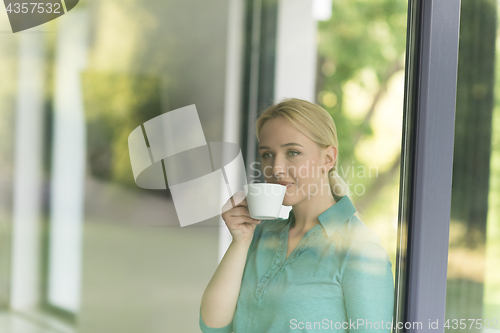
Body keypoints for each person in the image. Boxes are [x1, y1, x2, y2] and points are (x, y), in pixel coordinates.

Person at [199, 98, 394, 332]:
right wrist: (240, 242)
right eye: (267, 154)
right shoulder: (258, 235)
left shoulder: (360, 248)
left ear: (328, 158)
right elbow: (213, 327)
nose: (276, 167)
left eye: (292, 152)